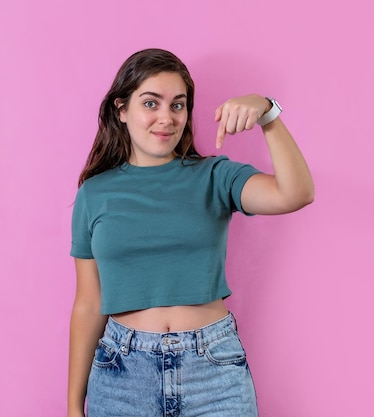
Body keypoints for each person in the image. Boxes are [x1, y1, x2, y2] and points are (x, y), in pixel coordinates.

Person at [68, 48, 314, 417]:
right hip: (122, 374)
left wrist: (268, 114)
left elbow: (296, 193)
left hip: (213, 371)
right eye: (151, 103)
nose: (166, 118)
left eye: (178, 105)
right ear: (121, 110)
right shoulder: (94, 193)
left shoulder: (215, 177)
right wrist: (73, 405)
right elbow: (88, 304)